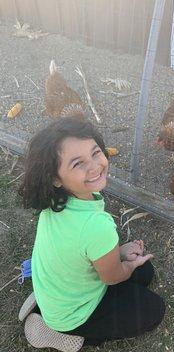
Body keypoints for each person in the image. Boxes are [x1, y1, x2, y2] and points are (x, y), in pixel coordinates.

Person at [19, 117, 165, 348]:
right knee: (153, 309)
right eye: (78, 163)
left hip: (60, 287)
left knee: (145, 272)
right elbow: (112, 277)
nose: (95, 165)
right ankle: (59, 332)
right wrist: (128, 265)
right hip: (73, 314)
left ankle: (46, 303)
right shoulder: (96, 225)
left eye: (95, 153)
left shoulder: (54, 205)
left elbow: (77, 247)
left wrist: (119, 252)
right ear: (56, 178)